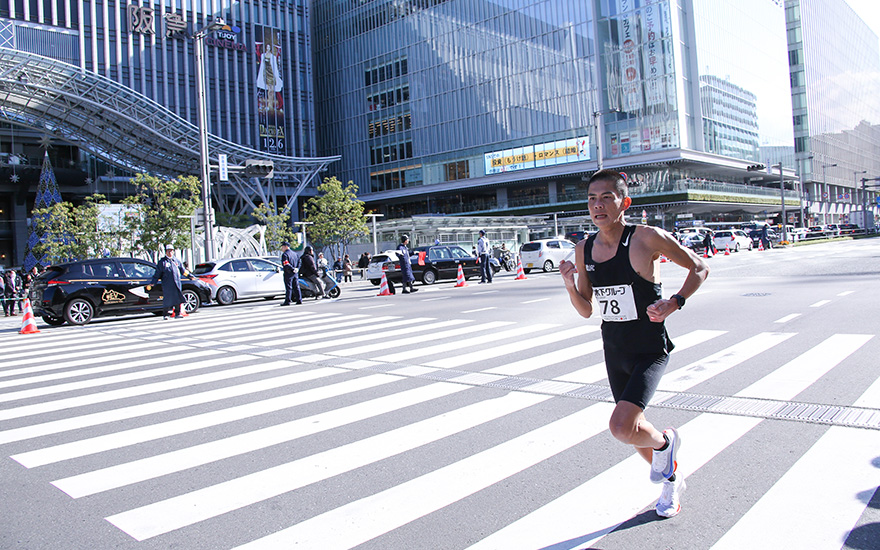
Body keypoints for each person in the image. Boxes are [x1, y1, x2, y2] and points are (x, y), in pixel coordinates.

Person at [559, 169, 709, 518]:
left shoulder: (646, 238)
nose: (597, 205)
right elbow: (585, 309)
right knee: (633, 429)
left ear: (624, 202)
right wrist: (570, 286)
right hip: (614, 350)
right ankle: (671, 475)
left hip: (648, 347)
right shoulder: (584, 250)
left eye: (606, 197)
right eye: (591, 199)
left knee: (620, 426)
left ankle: (666, 444)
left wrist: (675, 302)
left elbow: (699, 267)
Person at [147, 244, 188, 319]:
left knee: (177, 298)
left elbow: (183, 271)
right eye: (168, 251)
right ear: (166, 252)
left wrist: (190, 276)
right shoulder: (162, 262)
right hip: (167, 284)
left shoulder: (176, 261)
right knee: (167, 299)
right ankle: (165, 314)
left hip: (177, 283)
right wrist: (153, 282)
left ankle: (177, 314)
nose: (170, 252)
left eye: (171, 251)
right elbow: (157, 274)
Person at [279, 241, 302, 306]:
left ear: (286, 247)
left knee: (289, 287)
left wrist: (292, 268)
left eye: (282, 247)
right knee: (296, 286)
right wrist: (297, 268)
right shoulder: (295, 254)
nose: (282, 249)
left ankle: (288, 301)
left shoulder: (285, 254)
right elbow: (300, 262)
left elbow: (286, 264)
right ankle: (299, 299)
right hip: (295, 273)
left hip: (288, 273)